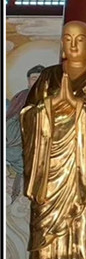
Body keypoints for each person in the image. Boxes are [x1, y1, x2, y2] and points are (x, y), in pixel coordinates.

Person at [21, 21, 86, 259]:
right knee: (45, 207)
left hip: (84, 161)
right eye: (67, 38)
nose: (73, 44)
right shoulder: (47, 77)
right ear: (62, 44)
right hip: (49, 162)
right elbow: (27, 116)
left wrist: (78, 107)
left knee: (82, 207)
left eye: (80, 39)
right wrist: (50, 105)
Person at [6, 65, 45, 202]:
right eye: (34, 78)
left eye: (40, 78)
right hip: (19, 133)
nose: (37, 81)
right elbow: (10, 118)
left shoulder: (51, 97)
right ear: (28, 81)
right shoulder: (21, 96)